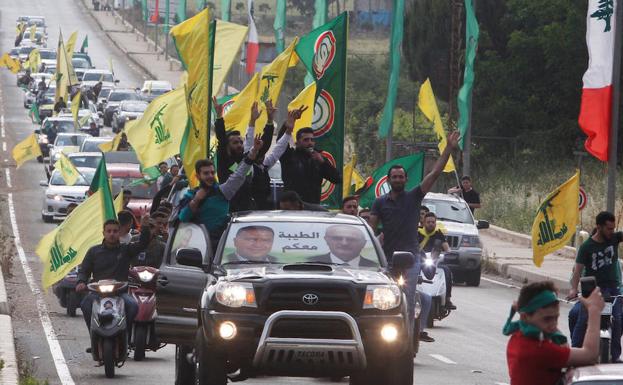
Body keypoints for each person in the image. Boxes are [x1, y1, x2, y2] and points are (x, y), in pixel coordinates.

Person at [368, 131, 460, 342]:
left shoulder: (414, 196)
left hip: (411, 259)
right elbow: (372, 231)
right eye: (394, 177)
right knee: (383, 301)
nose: (398, 179)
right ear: (389, 180)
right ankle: (380, 339)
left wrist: (448, 148)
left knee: (408, 301)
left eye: (401, 177)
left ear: (406, 179)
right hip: (387, 260)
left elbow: (435, 173)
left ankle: (406, 342)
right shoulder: (380, 203)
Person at [505, 281, 604, 385]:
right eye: (547, 319)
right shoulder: (539, 349)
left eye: (555, 318)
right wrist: (594, 310)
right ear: (525, 317)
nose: (553, 325)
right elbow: (589, 355)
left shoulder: (518, 337)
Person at [178, 136, 263, 248]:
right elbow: (183, 218)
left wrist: (254, 151)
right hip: (198, 244)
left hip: (222, 245)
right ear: (198, 176)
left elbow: (240, 173)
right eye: (206, 173)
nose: (210, 176)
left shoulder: (223, 191)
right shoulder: (190, 195)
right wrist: (196, 201)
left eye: (212, 173)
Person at [75, 217, 151, 339]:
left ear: (119, 232)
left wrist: (145, 226)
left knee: (133, 306)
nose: (112, 234)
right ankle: (94, 336)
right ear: (103, 233)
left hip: (120, 293)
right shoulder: (93, 251)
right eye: (109, 231)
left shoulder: (126, 249)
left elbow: (143, 244)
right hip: (97, 293)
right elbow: (84, 271)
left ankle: (125, 335)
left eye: (115, 231)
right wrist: (81, 282)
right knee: (85, 304)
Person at [568, 211, 623, 361]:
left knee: (618, 319)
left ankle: (615, 357)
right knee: (582, 318)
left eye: (613, 228)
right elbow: (577, 271)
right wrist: (573, 289)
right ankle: (576, 352)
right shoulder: (587, 247)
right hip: (592, 288)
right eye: (609, 229)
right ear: (599, 227)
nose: (612, 232)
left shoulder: (615, 238)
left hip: (613, 288)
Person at [214, 99, 276, 212]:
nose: (239, 145)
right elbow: (222, 139)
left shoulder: (246, 159)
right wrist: (219, 117)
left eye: (240, 142)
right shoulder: (225, 159)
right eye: (235, 143)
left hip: (248, 209)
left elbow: (263, 146)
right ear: (228, 146)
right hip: (228, 208)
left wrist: (270, 121)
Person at [278, 126, 341, 204]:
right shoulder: (289, 157)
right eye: (306, 140)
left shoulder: (319, 159)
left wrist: (323, 163)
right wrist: (286, 126)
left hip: (312, 207)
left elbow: (337, 179)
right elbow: (280, 144)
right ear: (297, 142)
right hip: (293, 206)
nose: (310, 143)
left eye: (312, 140)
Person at [418, 212, 456, 310]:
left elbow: (447, 249)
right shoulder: (417, 233)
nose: (431, 224)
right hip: (420, 261)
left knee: (447, 271)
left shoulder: (438, 234)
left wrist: (448, 253)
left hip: (435, 262)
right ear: (424, 223)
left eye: (433, 222)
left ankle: (447, 299)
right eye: (428, 222)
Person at [310, 225, 378, 267]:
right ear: (327, 240)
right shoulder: (312, 263)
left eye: (351, 239)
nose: (344, 243)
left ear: (363, 243)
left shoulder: (375, 267)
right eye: (337, 238)